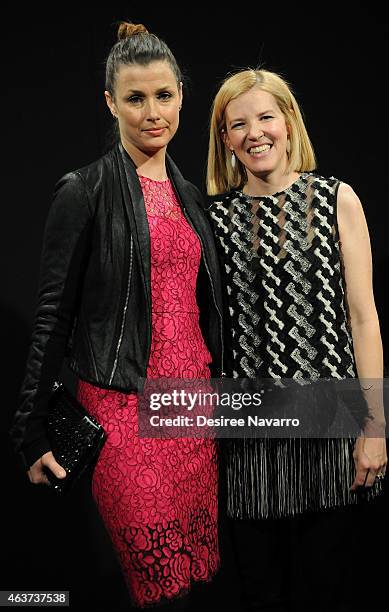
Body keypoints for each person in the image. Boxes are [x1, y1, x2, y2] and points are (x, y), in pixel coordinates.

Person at [10, 22, 224, 610]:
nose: (152, 112)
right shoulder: (84, 190)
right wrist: (28, 432)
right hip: (121, 409)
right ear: (110, 102)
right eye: (135, 98)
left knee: (196, 585)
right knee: (156, 589)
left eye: (163, 95)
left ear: (182, 93)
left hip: (192, 410)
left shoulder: (192, 196)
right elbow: (52, 313)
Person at [206, 68, 387, 611]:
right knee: (259, 591)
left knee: (325, 588)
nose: (255, 132)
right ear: (225, 139)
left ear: (289, 122)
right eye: (238, 124)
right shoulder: (213, 218)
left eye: (266, 117)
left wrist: (376, 426)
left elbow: (363, 319)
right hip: (251, 437)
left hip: (331, 429)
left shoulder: (336, 200)